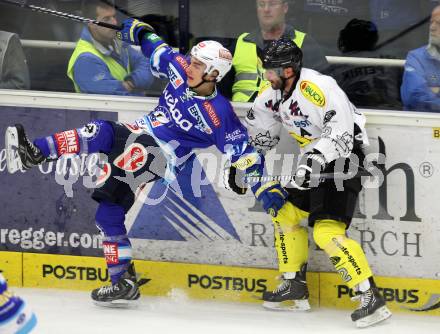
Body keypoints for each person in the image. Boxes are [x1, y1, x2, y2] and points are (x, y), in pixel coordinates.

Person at [5, 18, 280, 307]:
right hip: (137, 136)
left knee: (118, 143)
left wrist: (263, 187)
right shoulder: (179, 69)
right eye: (191, 60)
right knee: (107, 207)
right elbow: (156, 48)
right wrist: (136, 28)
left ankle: (34, 153)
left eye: (198, 64)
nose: (189, 66)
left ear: (213, 73)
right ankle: (121, 281)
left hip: (158, 157)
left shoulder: (219, 113)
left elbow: (243, 153)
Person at [228, 38, 391, 328]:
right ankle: (294, 284)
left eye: (271, 69)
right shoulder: (271, 95)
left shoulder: (318, 87)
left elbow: (341, 134)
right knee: (284, 211)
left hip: (345, 160)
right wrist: (242, 163)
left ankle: (370, 296)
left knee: (327, 232)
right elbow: (261, 139)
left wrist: (313, 162)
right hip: (313, 164)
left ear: (289, 70)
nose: (266, 74)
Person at [223, 0, 328, 102]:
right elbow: (219, 84)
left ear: (285, 8)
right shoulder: (240, 41)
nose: (266, 9)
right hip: (239, 114)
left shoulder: (305, 43)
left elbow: (322, 89)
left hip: (283, 116)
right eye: (261, 4)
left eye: (272, 4)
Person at [67, 1, 154, 95]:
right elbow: (119, 100)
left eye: (114, 16)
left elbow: (148, 61)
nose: (114, 22)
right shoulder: (86, 60)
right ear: (91, 24)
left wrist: (131, 82)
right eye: (107, 19)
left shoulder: (116, 41)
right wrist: (139, 86)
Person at [330, 19, 402, 109]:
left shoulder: (335, 64)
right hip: (393, 113)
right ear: (374, 39)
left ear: (345, 39)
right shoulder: (393, 62)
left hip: (351, 114)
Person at [401, 5, 440, 112]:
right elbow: (414, 97)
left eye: (439, 23)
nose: (432, 27)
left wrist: (435, 91)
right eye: (431, 22)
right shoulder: (416, 57)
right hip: (420, 125)